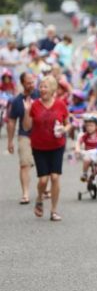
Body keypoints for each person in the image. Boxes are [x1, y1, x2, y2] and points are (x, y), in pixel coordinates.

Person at [22, 75, 71, 222]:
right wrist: (26, 110)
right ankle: (39, 198)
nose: (42, 89)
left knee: (55, 177)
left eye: (45, 86)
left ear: (53, 89)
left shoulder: (61, 104)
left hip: (57, 145)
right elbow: (26, 127)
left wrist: (64, 129)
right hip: (39, 146)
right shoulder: (34, 105)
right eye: (41, 86)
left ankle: (54, 211)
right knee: (43, 180)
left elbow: (68, 123)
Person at [7, 72, 38, 204]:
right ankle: (25, 193)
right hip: (25, 134)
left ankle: (46, 188)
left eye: (32, 81)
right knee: (25, 164)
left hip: (42, 134)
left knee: (44, 163)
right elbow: (12, 121)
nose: (31, 84)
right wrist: (10, 141)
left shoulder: (41, 95)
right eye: (28, 82)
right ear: (23, 84)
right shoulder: (16, 101)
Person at [75, 114, 97, 186]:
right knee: (87, 160)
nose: (89, 128)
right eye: (87, 126)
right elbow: (78, 142)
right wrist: (77, 149)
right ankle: (84, 173)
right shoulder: (85, 136)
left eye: (91, 125)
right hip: (88, 153)